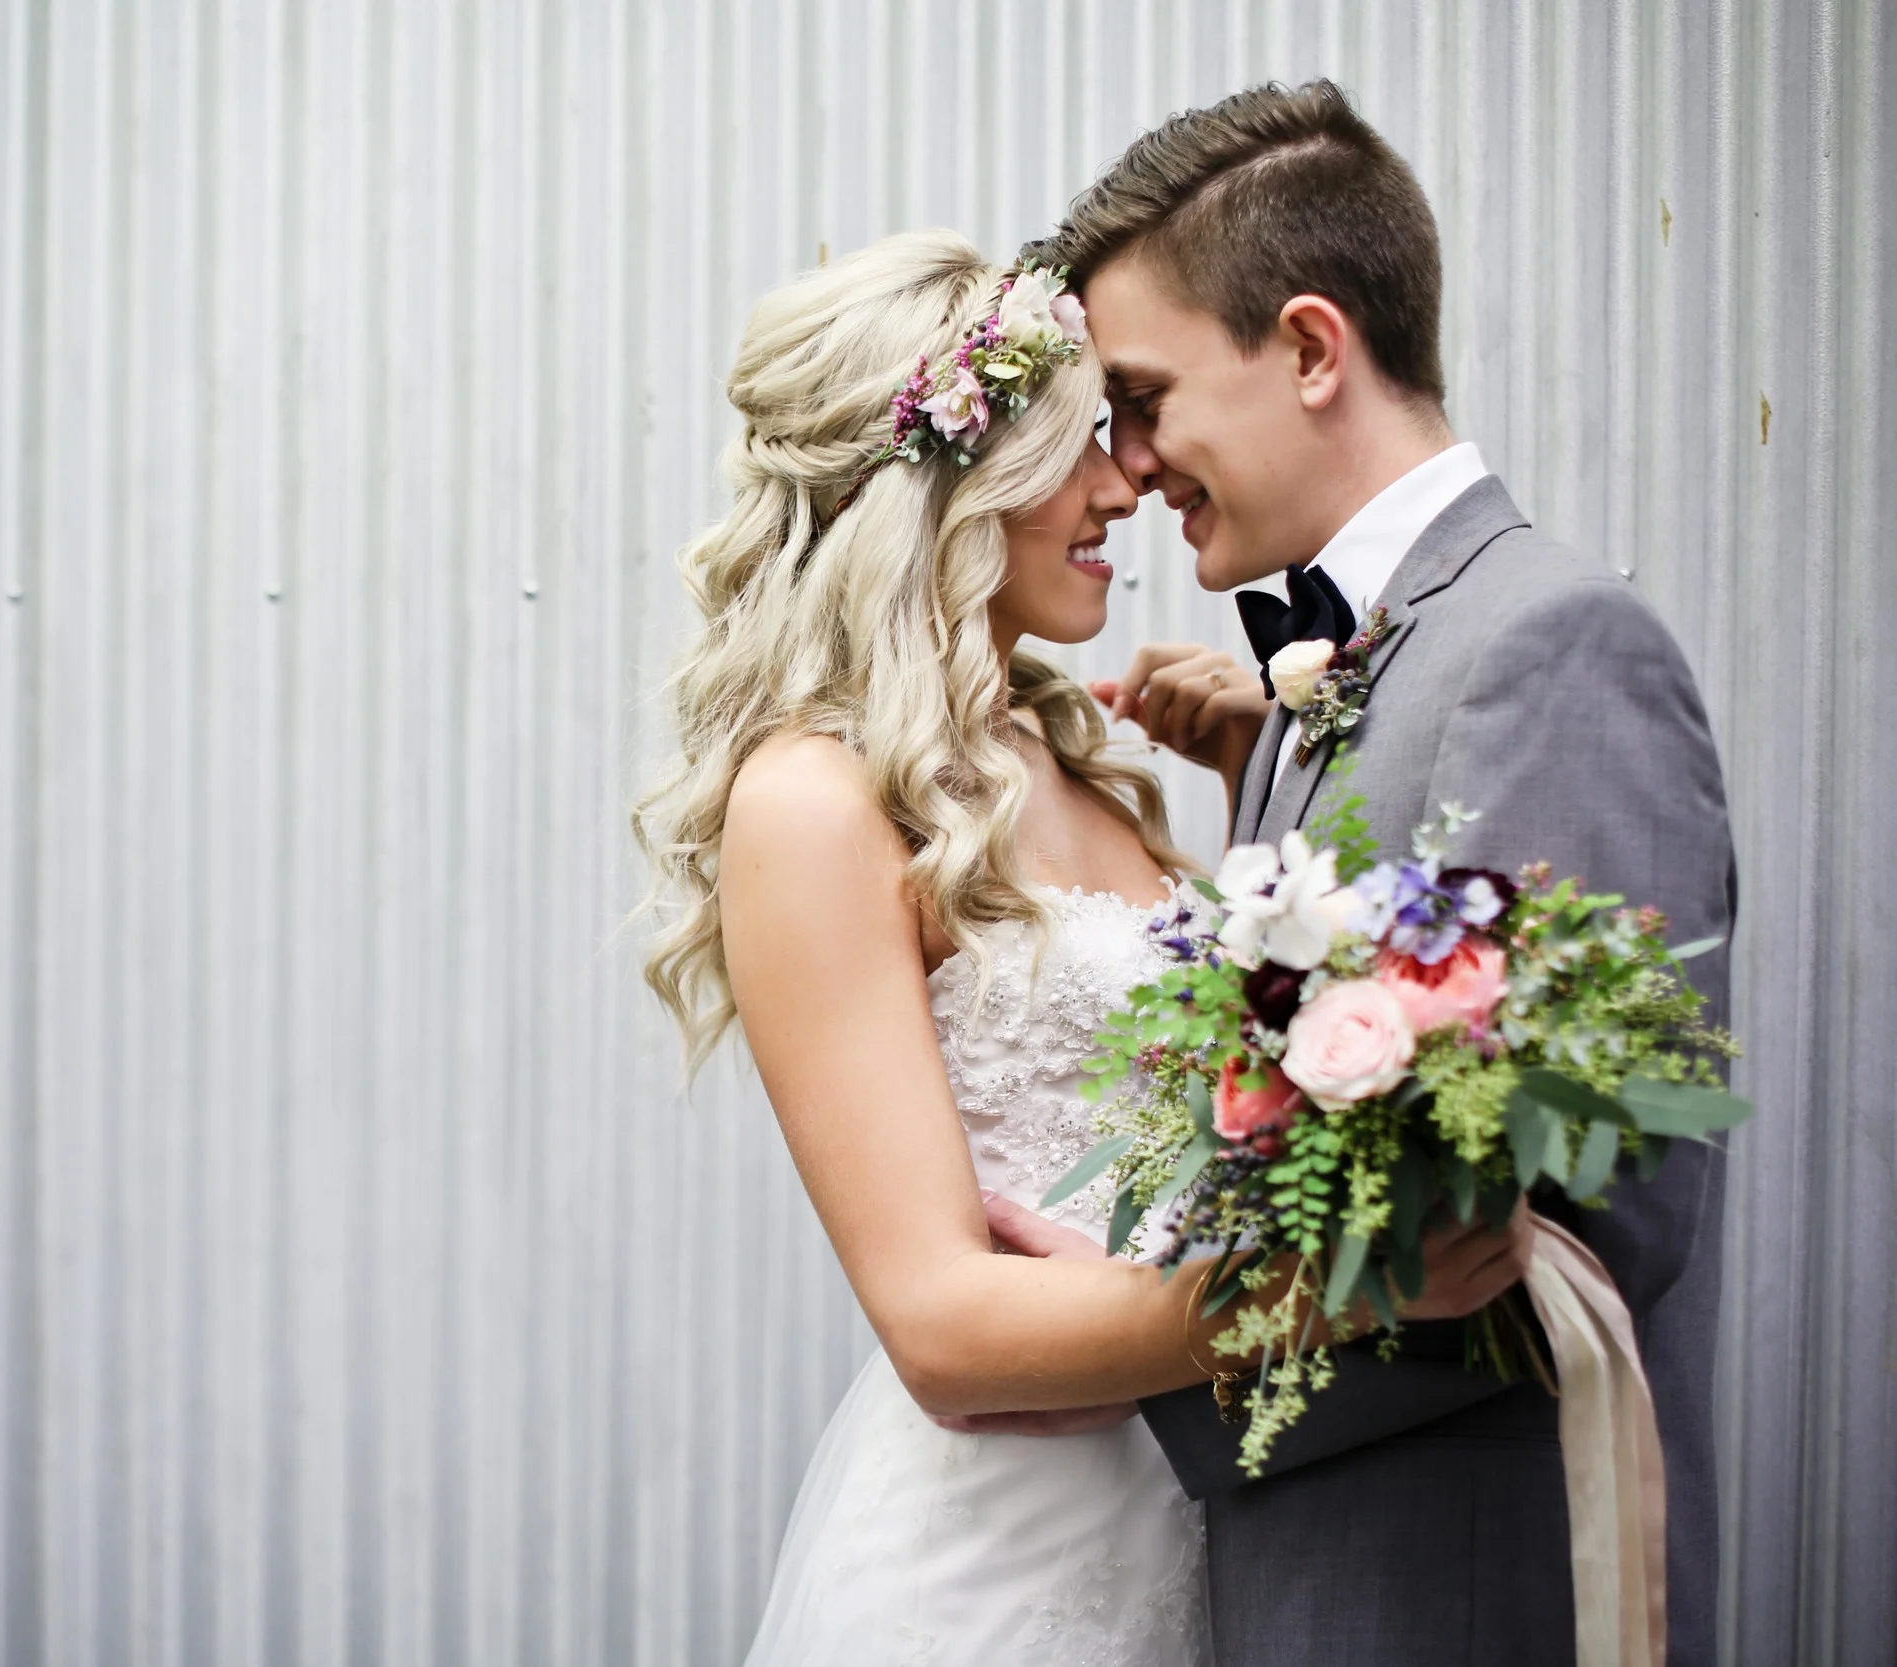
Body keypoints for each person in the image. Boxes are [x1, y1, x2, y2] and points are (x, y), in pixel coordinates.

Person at [631, 228, 1532, 1666]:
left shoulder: (1076, 757)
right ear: (948, 482)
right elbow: (943, 1328)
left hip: (1183, 1529)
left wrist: (1256, 780)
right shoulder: (813, 801)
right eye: (1076, 451)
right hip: (993, 1573)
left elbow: (1203, 1118)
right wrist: (1332, 1293)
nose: (1125, 483)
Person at [1013, 80, 1736, 1666]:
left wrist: (1162, 1374)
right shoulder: (1320, 684)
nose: (1127, 465)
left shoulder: (1551, 645)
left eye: (1143, 398)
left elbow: (1594, 1216)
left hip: (1452, 1595)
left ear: (1314, 348)